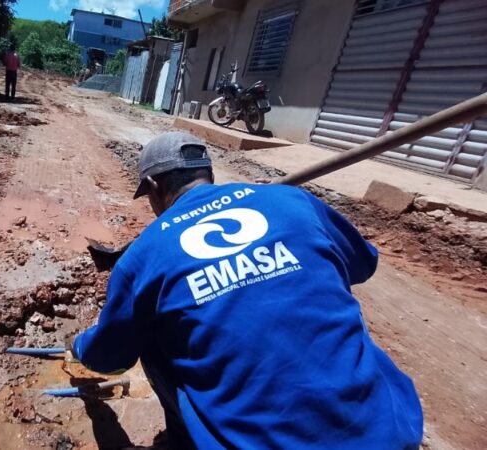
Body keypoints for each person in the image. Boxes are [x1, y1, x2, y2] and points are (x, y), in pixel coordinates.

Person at [71, 131, 423, 449]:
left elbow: (109, 359)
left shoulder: (142, 257)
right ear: (208, 173)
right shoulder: (291, 201)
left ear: (152, 186)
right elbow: (363, 263)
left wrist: (80, 345)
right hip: (390, 433)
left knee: (152, 338)